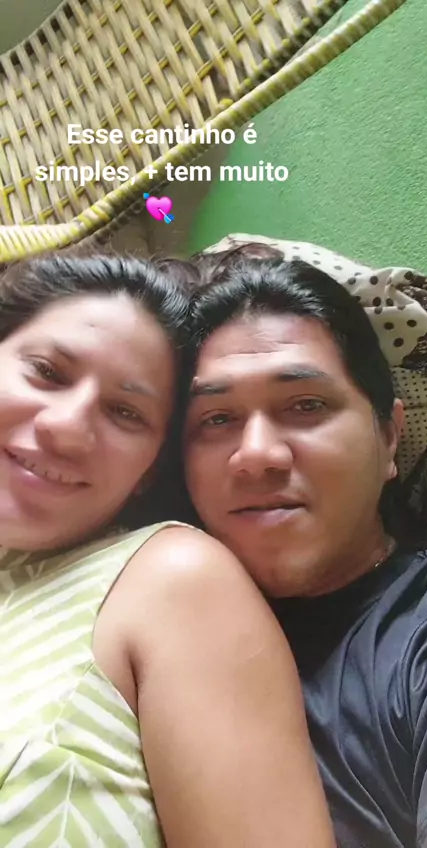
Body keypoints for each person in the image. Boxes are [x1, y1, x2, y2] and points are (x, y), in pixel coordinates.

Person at [0, 252, 336, 847]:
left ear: (150, 471)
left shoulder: (169, 580)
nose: (67, 427)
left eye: (125, 412)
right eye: (47, 372)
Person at [181, 244, 427, 848]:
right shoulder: (145, 604)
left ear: (389, 437)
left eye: (306, 405)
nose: (257, 455)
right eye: (216, 419)